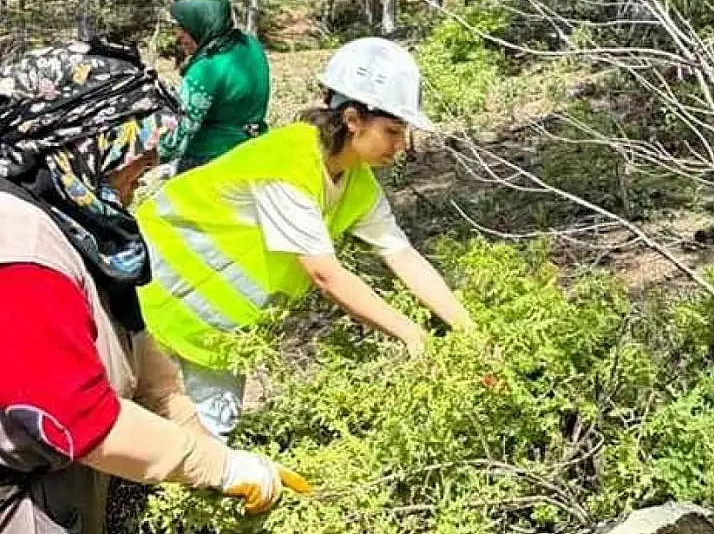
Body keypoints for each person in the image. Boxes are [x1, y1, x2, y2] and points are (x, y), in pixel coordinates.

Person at [0, 39, 309, 534]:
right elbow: (75, 417)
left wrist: (214, 452)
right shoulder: (19, 242)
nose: (142, 175)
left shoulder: (81, 228)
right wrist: (216, 468)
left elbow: (151, 378)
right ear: (84, 143)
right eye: (133, 156)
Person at [137, 37, 476, 441]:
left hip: (213, 338)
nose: (401, 146)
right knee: (124, 428)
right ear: (353, 119)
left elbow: (403, 256)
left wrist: (469, 334)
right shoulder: (288, 160)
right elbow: (325, 275)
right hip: (145, 305)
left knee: (205, 447)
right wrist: (412, 336)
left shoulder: (358, 186)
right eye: (392, 131)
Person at [162, 0, 271, 172]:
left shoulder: (206, 68)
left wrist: (146, 159)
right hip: (254, 147)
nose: (178, 36)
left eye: (185, 28)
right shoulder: (250, 44)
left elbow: (180, 131)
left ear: (202, 25)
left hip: (212, 158)